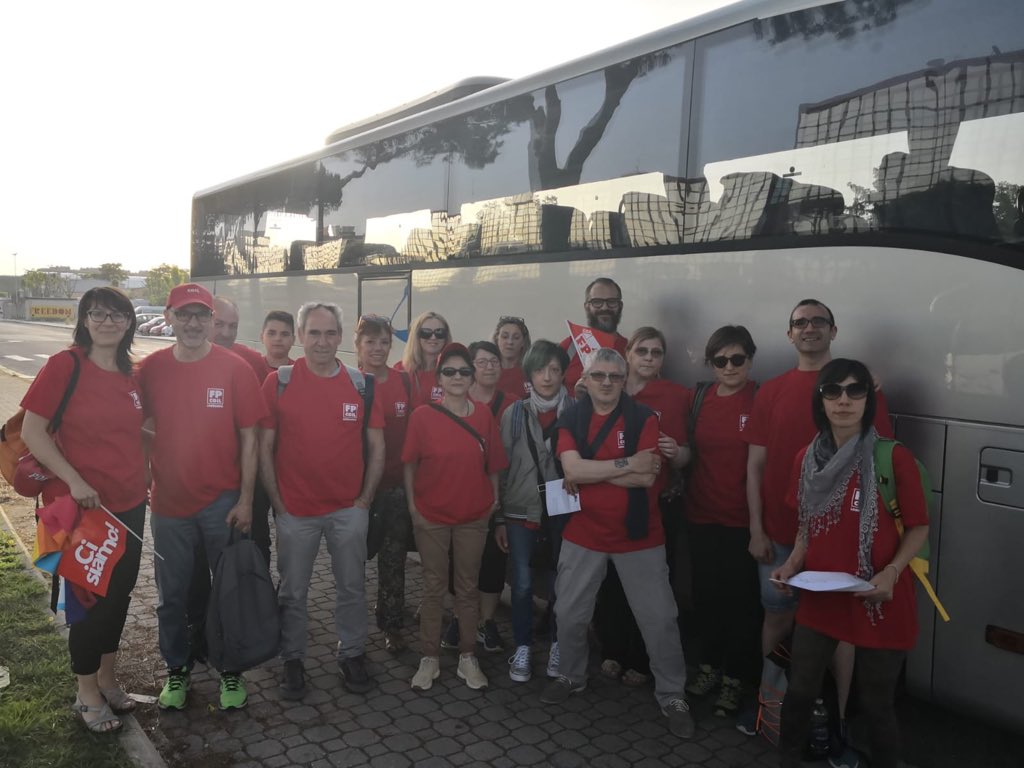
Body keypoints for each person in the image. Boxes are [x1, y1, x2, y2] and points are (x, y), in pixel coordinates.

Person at [743, 299, 892, 758]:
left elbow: (879, 461)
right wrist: (757, 529)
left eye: (818, 321)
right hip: (781, 532)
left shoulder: (861, 387)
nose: (809, 328)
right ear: (790, 335)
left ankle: (839, 722)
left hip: (840, 541)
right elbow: (756, 465)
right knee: (777, 616)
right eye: (800, 322)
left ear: (833, 330)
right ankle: (768, 705)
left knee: (839, 634)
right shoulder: (770, 391)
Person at [771, 359, 928, 768]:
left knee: (877, 704)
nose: (844, 400)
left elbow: (918, 528)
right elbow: (807, 522)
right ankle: (787, 758)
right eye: (833, 391)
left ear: (869, 400)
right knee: (801, 689)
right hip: (823, 595)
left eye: (856, 391)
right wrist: (791, 564)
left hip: (880, 597)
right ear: (820, 400)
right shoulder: (807, 459)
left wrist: (891, 572)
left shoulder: (892, 458)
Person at [541, 348, 695, 739]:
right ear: (586, 380)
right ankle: (571, 676)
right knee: (571, 614)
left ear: (623, 381)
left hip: (639, 536)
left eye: (614, 377)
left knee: (659, 619)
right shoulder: (571, 418)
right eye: (599, 376)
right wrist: (623, 465)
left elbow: (647, 477)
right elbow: (572, 469)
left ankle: (672, 694)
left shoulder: (643, 418)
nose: (606, 383)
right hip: (584, 534)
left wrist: (592, 475)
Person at [20, 287, 147, 733]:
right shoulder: (65, 365)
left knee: (121, 594)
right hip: (82, 511)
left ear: (130, 322)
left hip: (130, 505)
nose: (108, 322)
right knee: (89, 602)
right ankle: (86, 693)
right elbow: (34, 431)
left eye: (118, 315)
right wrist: (74, 480)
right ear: (85, 319)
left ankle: (109, 680)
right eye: (98, 314)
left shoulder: (131, 373)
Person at [138, 282, 266, 712]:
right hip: (169, 506)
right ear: (169, 318)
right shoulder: (150, 369)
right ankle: (178, 668)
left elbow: (251, 439)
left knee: (226, 592)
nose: (193, 323)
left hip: (223, 504)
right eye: (184, 314)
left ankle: (230, 669)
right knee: (170, 596)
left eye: (201, 315)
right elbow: (127, 424)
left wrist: (247, 500)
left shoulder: (234, 369)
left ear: (212, 321)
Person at [260, 302, 385, 700]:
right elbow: (263, 448)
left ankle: (352, 654)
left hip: (349, 510)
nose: (322, 341)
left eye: (330, 333)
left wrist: (365, 498)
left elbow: (377, 446)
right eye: (313, 333)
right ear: (300, 337)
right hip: (295, 511)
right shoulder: (278, 382)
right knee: (293, 591)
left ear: (341, 337)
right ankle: (292, 658)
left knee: (352, 587)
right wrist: (278, 503)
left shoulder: (360, 385)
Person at [402, 343, 509, 691]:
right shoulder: (422, 416)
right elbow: (410, 464)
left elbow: (493, 463)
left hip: (472, 516)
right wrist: (414, 508)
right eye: (450, 371)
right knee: (433, 588)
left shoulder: (482, 416)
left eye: (464, 371)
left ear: (472, 375)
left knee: (466, 588)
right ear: (439, 377)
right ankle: (429, 658)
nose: (458, 377)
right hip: (431, 516)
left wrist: (493, 498)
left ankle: (467, 656)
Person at [593, 327, 691, 688]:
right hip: (609, 503)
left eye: (657, 352)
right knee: (610, 584)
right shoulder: (608, 389)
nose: (649, 358)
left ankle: (641, 658)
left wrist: (676, 452)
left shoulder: (677, 396)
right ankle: (613, 650)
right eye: (642, 351)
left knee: (649, 592)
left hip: (656, 505)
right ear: (628, 354)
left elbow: (686, 456)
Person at [683, 326, 763, 720]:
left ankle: (735, 678)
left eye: (738, 359)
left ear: (750, 359)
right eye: (721, 360)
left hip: (742, 523)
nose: (730, 367)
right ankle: (708, 668)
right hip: (700, 516)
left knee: (741, 605)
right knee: (706, 599)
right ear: (711, 363)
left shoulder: (762, 398)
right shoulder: (700, 398)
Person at [495, 340, 572, 683]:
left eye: (555, 369)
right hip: (520, 509)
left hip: (563, 508)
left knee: (562, 582)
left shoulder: (576, 411)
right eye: (541, 369)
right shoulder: (514, 414)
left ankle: (558, 644)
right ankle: (523, 647)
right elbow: (502, 468)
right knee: (523, 583)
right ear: (530, 374)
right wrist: (498, 517)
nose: (547, 376)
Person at [441, 341, 518, 653]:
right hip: (458, 503)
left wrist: (501, 509)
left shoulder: (513, 404)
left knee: (491, 564)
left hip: (498, 500)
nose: (489, 367)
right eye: (481, 362)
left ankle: (486, 623)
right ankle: (460, 618)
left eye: (494, 361)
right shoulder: (455, 402)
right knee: (458, 565)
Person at [355, 313, 414, 653]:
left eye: (384, 343)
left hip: (393, 487)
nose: (377, 348)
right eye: (370, 342)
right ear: (358, 345)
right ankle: (352, 629)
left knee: (393, 561)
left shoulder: (403, 382)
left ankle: (391, 624)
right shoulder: (350, 381)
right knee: (353, 563)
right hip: (354, 489)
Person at [559, 277, 629, 392]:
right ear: (587, 307)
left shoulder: (631, 351)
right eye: (597, 302)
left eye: (611, 302)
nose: (605, 307)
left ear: (620, 306)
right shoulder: (568, 348)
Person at [211, 295, 271, 382]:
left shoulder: (252, 361)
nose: (226, 333)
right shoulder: (188, 359)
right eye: (218, 324)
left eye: (233, 326)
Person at [397, 311, 451, 407]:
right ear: (416, 336)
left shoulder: (454, 372)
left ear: (446, 337)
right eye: (426, 332)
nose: (433, 337)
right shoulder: (401, 370)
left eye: (439, 332)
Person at [493, 315, 531, 398]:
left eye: (516, 338)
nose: (510, 342)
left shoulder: (531, 372)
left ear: (523, 342)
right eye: (505, 337)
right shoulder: (487, 370)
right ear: (496, 339)